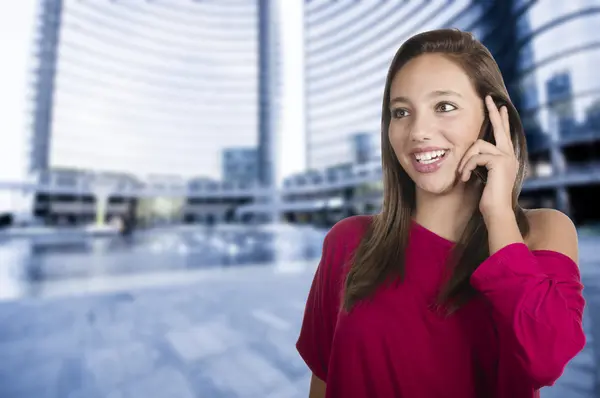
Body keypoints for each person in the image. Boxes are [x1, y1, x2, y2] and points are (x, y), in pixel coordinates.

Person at [295, 28, 586, 398]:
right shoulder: (347, 242)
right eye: (401, 112)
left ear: (491, 118)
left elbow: (545, 360)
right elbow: (324, 381)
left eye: (444, 106)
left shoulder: (542, 232)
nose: (418, 131)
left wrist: (498, 214)